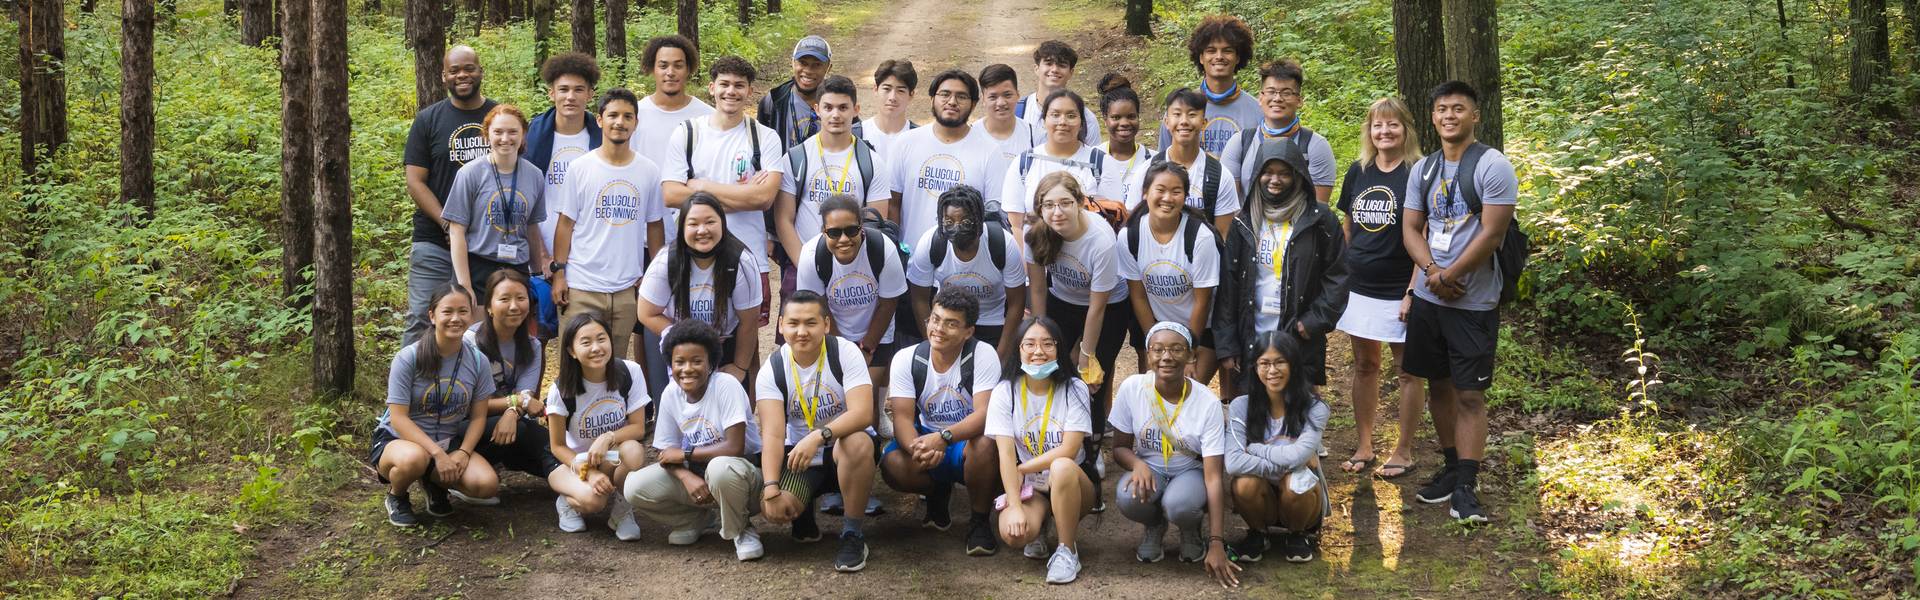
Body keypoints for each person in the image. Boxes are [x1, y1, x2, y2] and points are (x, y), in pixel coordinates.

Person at [1401, 81, 1519, 524]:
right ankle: (1451, 467)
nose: (1449, 116)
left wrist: (1453, 275)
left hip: (1474, 301)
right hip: (1433, 296)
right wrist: (1433, 273)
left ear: (1475, 116)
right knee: (1438, 385)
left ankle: (1468, 485)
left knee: (1470, 394)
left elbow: (1493, 233)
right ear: (1432, 118)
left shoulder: (1493, 165)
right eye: (1442, 109)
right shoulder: (1425, 169)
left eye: (1459, 109)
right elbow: (1411, 228)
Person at [754, 291, 879, 573]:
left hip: (842, 451)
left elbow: (862, 413)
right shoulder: (772, 368)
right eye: (793, 323)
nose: (801, 332)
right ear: (781, 325)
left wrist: (819, 435)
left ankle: (852, 533)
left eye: (810, 323)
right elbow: (773, 434)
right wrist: (771, 487)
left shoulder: (845, 352)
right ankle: (803, 514)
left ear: (826, 325)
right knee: (781, 506)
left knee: (857, 442)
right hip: (801, 457)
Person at [1110, 322, 1240, 589]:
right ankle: (1154, 525)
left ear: (1192, 356)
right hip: (1150, 469)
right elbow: (1119, 447)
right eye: (1157, 350)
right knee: (1127, 495)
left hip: (1190, 472)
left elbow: (1214, 477)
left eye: (1176, 349)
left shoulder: (1207, 403)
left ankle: (1191, 528)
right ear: (1148, 356)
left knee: (1180, 504)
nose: (1166, 357)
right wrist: (1137, 464)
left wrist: (1216, 542)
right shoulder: (1132, 389)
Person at [1024, 172, 1130, 497]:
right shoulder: (1035, 232)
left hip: (1108, 308)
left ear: (1080, 202)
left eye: (1065, 203)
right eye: (1049, 205)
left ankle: (1093, 451)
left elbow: (1097, 308)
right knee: (1053, 372)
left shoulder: (1100, 239)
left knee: (1089, 380)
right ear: (1040, 209)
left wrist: (1085, 353)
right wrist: (1041, 333)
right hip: (1062, 301)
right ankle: (1054, 443)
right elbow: (1039, 288)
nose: (1057, 212)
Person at [1336, 97, 1427, 478]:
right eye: (1377, 125)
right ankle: (1365, 444)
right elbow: (1347, 225)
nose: (1384, 132)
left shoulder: (1417, 173)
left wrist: (1412, 290)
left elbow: (1423, 234)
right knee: (1365, 365)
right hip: (1359, 287)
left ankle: (1403, 450)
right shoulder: (1359, 171)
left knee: (1407, 371)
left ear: (1406, 129)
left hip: (1399, 288)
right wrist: (1340, 272)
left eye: (1392, 125)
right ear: (1369, 131)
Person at [1216, 140, 1347, 399]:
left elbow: (1338, 276)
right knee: (1256, 410)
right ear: (1257, 175)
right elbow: (1228, 285)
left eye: (1284, 173)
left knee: (1299, 406)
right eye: (1268, 172)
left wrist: (1312, 322)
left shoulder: (1319, 219)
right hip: (1252, 331)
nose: (1274, 180)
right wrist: (1227, 343)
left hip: (1298, 332)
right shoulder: (1243, 221)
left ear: (1298, 175)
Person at [625, 319, 766, 560]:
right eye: (679, 362)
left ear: (711, 363)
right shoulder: (671, 393)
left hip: (745, 476)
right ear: (670, 364)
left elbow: (735, 446)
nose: (687, 369)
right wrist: (685, 475)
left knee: (720, 468)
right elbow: (666, 451)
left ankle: (741, 529)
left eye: (697, 361)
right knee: (634, 487)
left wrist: (686, 455)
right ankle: (696, 519)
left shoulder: (725, 385)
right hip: (699, 475)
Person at [664, 56, 785, 329]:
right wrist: (743, 195)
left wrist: (701, 187)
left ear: (750, 92)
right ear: (711, 87)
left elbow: (764, 198)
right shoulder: (687, 133)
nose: (731, 91)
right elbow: (671, 194)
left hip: (749, 256)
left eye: (739, 85)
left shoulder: (765, 137)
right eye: (725, 84)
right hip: (695, 255)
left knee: (747, 341)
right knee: (693, 338)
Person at [881, 288, 1003, 554]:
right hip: (927, 435)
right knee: (892, 464)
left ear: (968, 331)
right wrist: (918, 448)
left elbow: (984, 415)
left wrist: (943, 438)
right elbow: (901, 417)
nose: (939, 329)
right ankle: (937, 493)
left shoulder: (983, 354)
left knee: (986, 445)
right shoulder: (907, 357)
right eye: (935, 319)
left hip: (964, 440)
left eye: (951, 324)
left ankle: (980, 520)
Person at [549, 88, 665, 362]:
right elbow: (565, 224)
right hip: (581, 285)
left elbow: (655, 226)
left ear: (636, 123)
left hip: (625, 289)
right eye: (612, 115)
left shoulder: (648, 170)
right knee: (575, 365)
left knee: (615, 366)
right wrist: (559, 274)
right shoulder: (581, 168)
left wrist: (655, 275)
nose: (620, 122)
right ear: (600, 120)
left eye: (627, 116)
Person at [370, 283, 500, 527]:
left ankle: (433, 482)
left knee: (486, 485)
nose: (455, 318)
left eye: (463, 312)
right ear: (432, 315)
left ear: (472, 316)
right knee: (413, 459)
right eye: (447, 311)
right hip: (399, 440)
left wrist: (462, 452)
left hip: (446, 441)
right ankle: (397, 496)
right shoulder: (409, 357)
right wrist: (438, 454)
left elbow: (479, 417)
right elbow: (398, 418)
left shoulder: (478, 360)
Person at [987, 316, 1096, 584]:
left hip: (1072, 482)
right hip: (1031, 487)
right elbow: (1005, 454)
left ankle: (1067, 550)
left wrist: (1024, 468)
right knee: (1014, 534)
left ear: (1059, 348)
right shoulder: (1004, 391)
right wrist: (1013, 505)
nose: (1039, 351)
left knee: (1060, 466)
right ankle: (1040, 526)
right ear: (1018, 349)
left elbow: (1069, 449)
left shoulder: (1075, 387)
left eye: (1048, 344)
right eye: (1030, 344)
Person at [635, 35, 715, 395]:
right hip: (644, 233)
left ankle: (705, 395)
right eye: (663, 65)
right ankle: (653, 398)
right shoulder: (636, 115)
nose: (670, 72)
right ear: (652, 68)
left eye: (678, 65)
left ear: (689, 69)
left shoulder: (706, 116)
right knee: (649, 316)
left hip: (697, 232)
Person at [403, 45, 497, 345]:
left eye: (469, 68)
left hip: (485, 244)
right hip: (435, 242)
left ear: (480, 71)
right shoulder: (428, 120)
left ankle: (476, 390)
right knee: (422, 317)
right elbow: (415, 181)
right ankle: (408, 391)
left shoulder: (499, 119)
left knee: (481, 325)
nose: (462, 75)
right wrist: (449, 225)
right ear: (444, 76)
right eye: (454, 70)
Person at [774, 75, 893, 308]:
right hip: (802, 264)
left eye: (843, 107)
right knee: (798, 339)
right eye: (828, 107)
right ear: (817, 109)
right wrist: (807, 265)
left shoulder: (872, 162)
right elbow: (784, 219)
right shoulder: (796, 157)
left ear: (855, 110)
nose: (835, 115)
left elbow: (875, 222)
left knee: (847, 339)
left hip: (853, 268)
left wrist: (848, 266)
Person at [460, 270, 564, 506]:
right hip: (464, 425)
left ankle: (570, 480)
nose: (514, 306)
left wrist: (512, 411)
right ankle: (460, 478)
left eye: (521, 298)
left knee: (550, 443)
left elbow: (526, 393)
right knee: (524, 432)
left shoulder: (532, 346)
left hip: (508, 421)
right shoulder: (470, 342)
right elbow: (466, 405)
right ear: (489, 306)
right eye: (504, 299)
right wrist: (516, 404)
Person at [1225, 331, 1330, 563]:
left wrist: (1254, 449)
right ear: (1254, 367)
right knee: (1243, 483)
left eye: (1280, 362)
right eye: (1264, 363)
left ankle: (1297, 534)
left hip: (1302, 502)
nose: (1272, 371)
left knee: (1294, 483)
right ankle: (1258, 534)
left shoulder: (1315, 408)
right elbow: (1233, 463)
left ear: (1293, 365)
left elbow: (1298, 456)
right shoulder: (1241, 406)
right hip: (1262, 499)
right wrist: (1290, 461)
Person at [543, 313, 650, 540]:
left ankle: (622, 511)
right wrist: (590, 474)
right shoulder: (561, 389)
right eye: (586, 342)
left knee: (633, 450)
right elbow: (557, 446)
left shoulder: (629, 372)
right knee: (594, 501)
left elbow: (638, 428)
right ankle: (567, 502)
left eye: (602, 339)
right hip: (572, 461)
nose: (596, 348)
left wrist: (607, 437)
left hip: (608, 455)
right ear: (571, 351)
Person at [637, 194, 764, 385]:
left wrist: (739, 367)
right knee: (670, 405)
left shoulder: (741, 261)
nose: (702, 230)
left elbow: (749, 321)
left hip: (724, 342)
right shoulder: (665, 261)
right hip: (675, 342)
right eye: (693, 224)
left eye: (710, 222)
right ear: (682, 227)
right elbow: (646, 313)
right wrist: (686, 337)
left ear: (722, 223)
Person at [1120, 162, 1221, 383]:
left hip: (1202, 328)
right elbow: (1137, 296)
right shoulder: (1130, 235)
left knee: (1187, 390)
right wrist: (1153, 344)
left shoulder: (1200, 237)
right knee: (1155, 393)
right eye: (1160, 190)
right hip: (1159, 322)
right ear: (1145, 193)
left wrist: (1189, 353)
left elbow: (1203, 302)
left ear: (1185, 197)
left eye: (1176, 192)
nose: (1168, 198)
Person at [907, 185, 1027, 358]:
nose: (957, 228)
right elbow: (919, 299)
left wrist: (1001, 355)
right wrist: (933, 343)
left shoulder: (1003, 244)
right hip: (948, 321)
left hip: (992, 321)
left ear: (979, 221)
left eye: (966, 222)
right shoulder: (930, 243)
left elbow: (1017, 303)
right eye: (949, 222)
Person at [797, 196, 909, 379]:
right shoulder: (811, 255)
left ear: (861, 228)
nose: (843, 239)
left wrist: (867, 348)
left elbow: (888, 304)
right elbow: (817, 307)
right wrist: (843, 350)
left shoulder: (883, 248)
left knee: (870, 395)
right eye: (834, 233)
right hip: (833, 332)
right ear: (823, 231)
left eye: (851, 230)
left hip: (877, 332)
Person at [887, 69, 1002, 246]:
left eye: (962, 96)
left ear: (973, 104)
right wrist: (895, 248)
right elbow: (893, 203)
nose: (952, 102)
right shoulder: (906, 143)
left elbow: (993, 213)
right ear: (932, 99)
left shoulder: (990, 151)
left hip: (964, 263)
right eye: (945, 94)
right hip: (911, 260)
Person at [444, 104, 546, 300]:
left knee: (515, 327)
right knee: (478, 330)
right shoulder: (470, 173)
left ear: (523, 134)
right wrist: (465, 285)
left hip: (518, 267)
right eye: (498, 132)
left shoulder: (534, 175)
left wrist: (537, 274)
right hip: (479, 266)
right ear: (487, 134)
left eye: (513, 132)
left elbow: (532, 228)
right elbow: (457, 230)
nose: (505, 138)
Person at [1000, 89, 1124, 236]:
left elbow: (1113, 220)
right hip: (1036, 254)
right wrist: (1026, 259)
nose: (1063, 122)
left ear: (1082, 123)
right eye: (1055, 115)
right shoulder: (1024, 163)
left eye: (1071, 116)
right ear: (1044, 120)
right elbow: (1016, 226)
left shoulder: (1102, 163)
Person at [1219, 60, 1337, 203]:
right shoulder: (1240, 143)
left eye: (1286, 93)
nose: (1277, 98)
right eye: (1271, 92)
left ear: (1299, 100)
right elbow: (1229, 204)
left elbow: (1318, 210)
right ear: (1260, 97)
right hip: (1248, 224)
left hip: (1300, 225)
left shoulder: (1315, 146)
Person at [1130, 88, 1241, 235]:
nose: (1184, 121)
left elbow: (1222, 238)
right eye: (1177, 114)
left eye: (1192, 115)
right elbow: (1133, 226)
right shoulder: (1146, 171)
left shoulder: (1220, 176)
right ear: (1166, 122)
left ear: (1204, 122)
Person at [525, 52, 602, 260]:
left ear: (590, 94)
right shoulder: (532, 137)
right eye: (563, 89)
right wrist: (540, 254)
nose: (570, 97)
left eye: (578, 90)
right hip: (543, 248)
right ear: (551, 94)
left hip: (591, 251)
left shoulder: (603, 138)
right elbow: (524, 197)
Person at [1157, 15, 1261, 157]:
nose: (1219, 56)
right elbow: (1162, 163)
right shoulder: (1179, 110)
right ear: (1200, 57)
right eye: (1211, 50)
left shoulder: (1257, 112)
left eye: (1227, 50)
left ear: (1238, 57)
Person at [976, 64, 1041, 216]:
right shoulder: (971, 135)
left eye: (1007, 95)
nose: (1001, 103)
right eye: (993, 97)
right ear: (983, 99)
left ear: (1018, 95)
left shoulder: (1036, 136)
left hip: (1026, 222)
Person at [1018, 40, 1101, 146]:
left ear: (1071, 72)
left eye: (1061, 65)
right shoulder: (1018, 112)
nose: (1054, 69)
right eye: (1048, 63)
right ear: (1036, 68)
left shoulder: (1086, 119)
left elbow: (1094, 160)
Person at [758, 35, 835, 148]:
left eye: (817, 65)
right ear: (793, 63)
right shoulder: (774, 100)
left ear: (828, 67)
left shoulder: (839, 101)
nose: (808, 70)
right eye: (803, 63)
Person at [1095, 74, 1157, 210]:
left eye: (1131, 116)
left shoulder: (1154, 160)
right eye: (1116, 117)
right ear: (1105, 119)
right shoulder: (1093, 158)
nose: (1124, 123)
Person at [856, 59, 918, 157]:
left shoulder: (920, 138)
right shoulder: (855, 135)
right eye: (886, 89)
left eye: (900, 91)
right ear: (875, 90)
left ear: (911, 95)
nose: (892, 97)